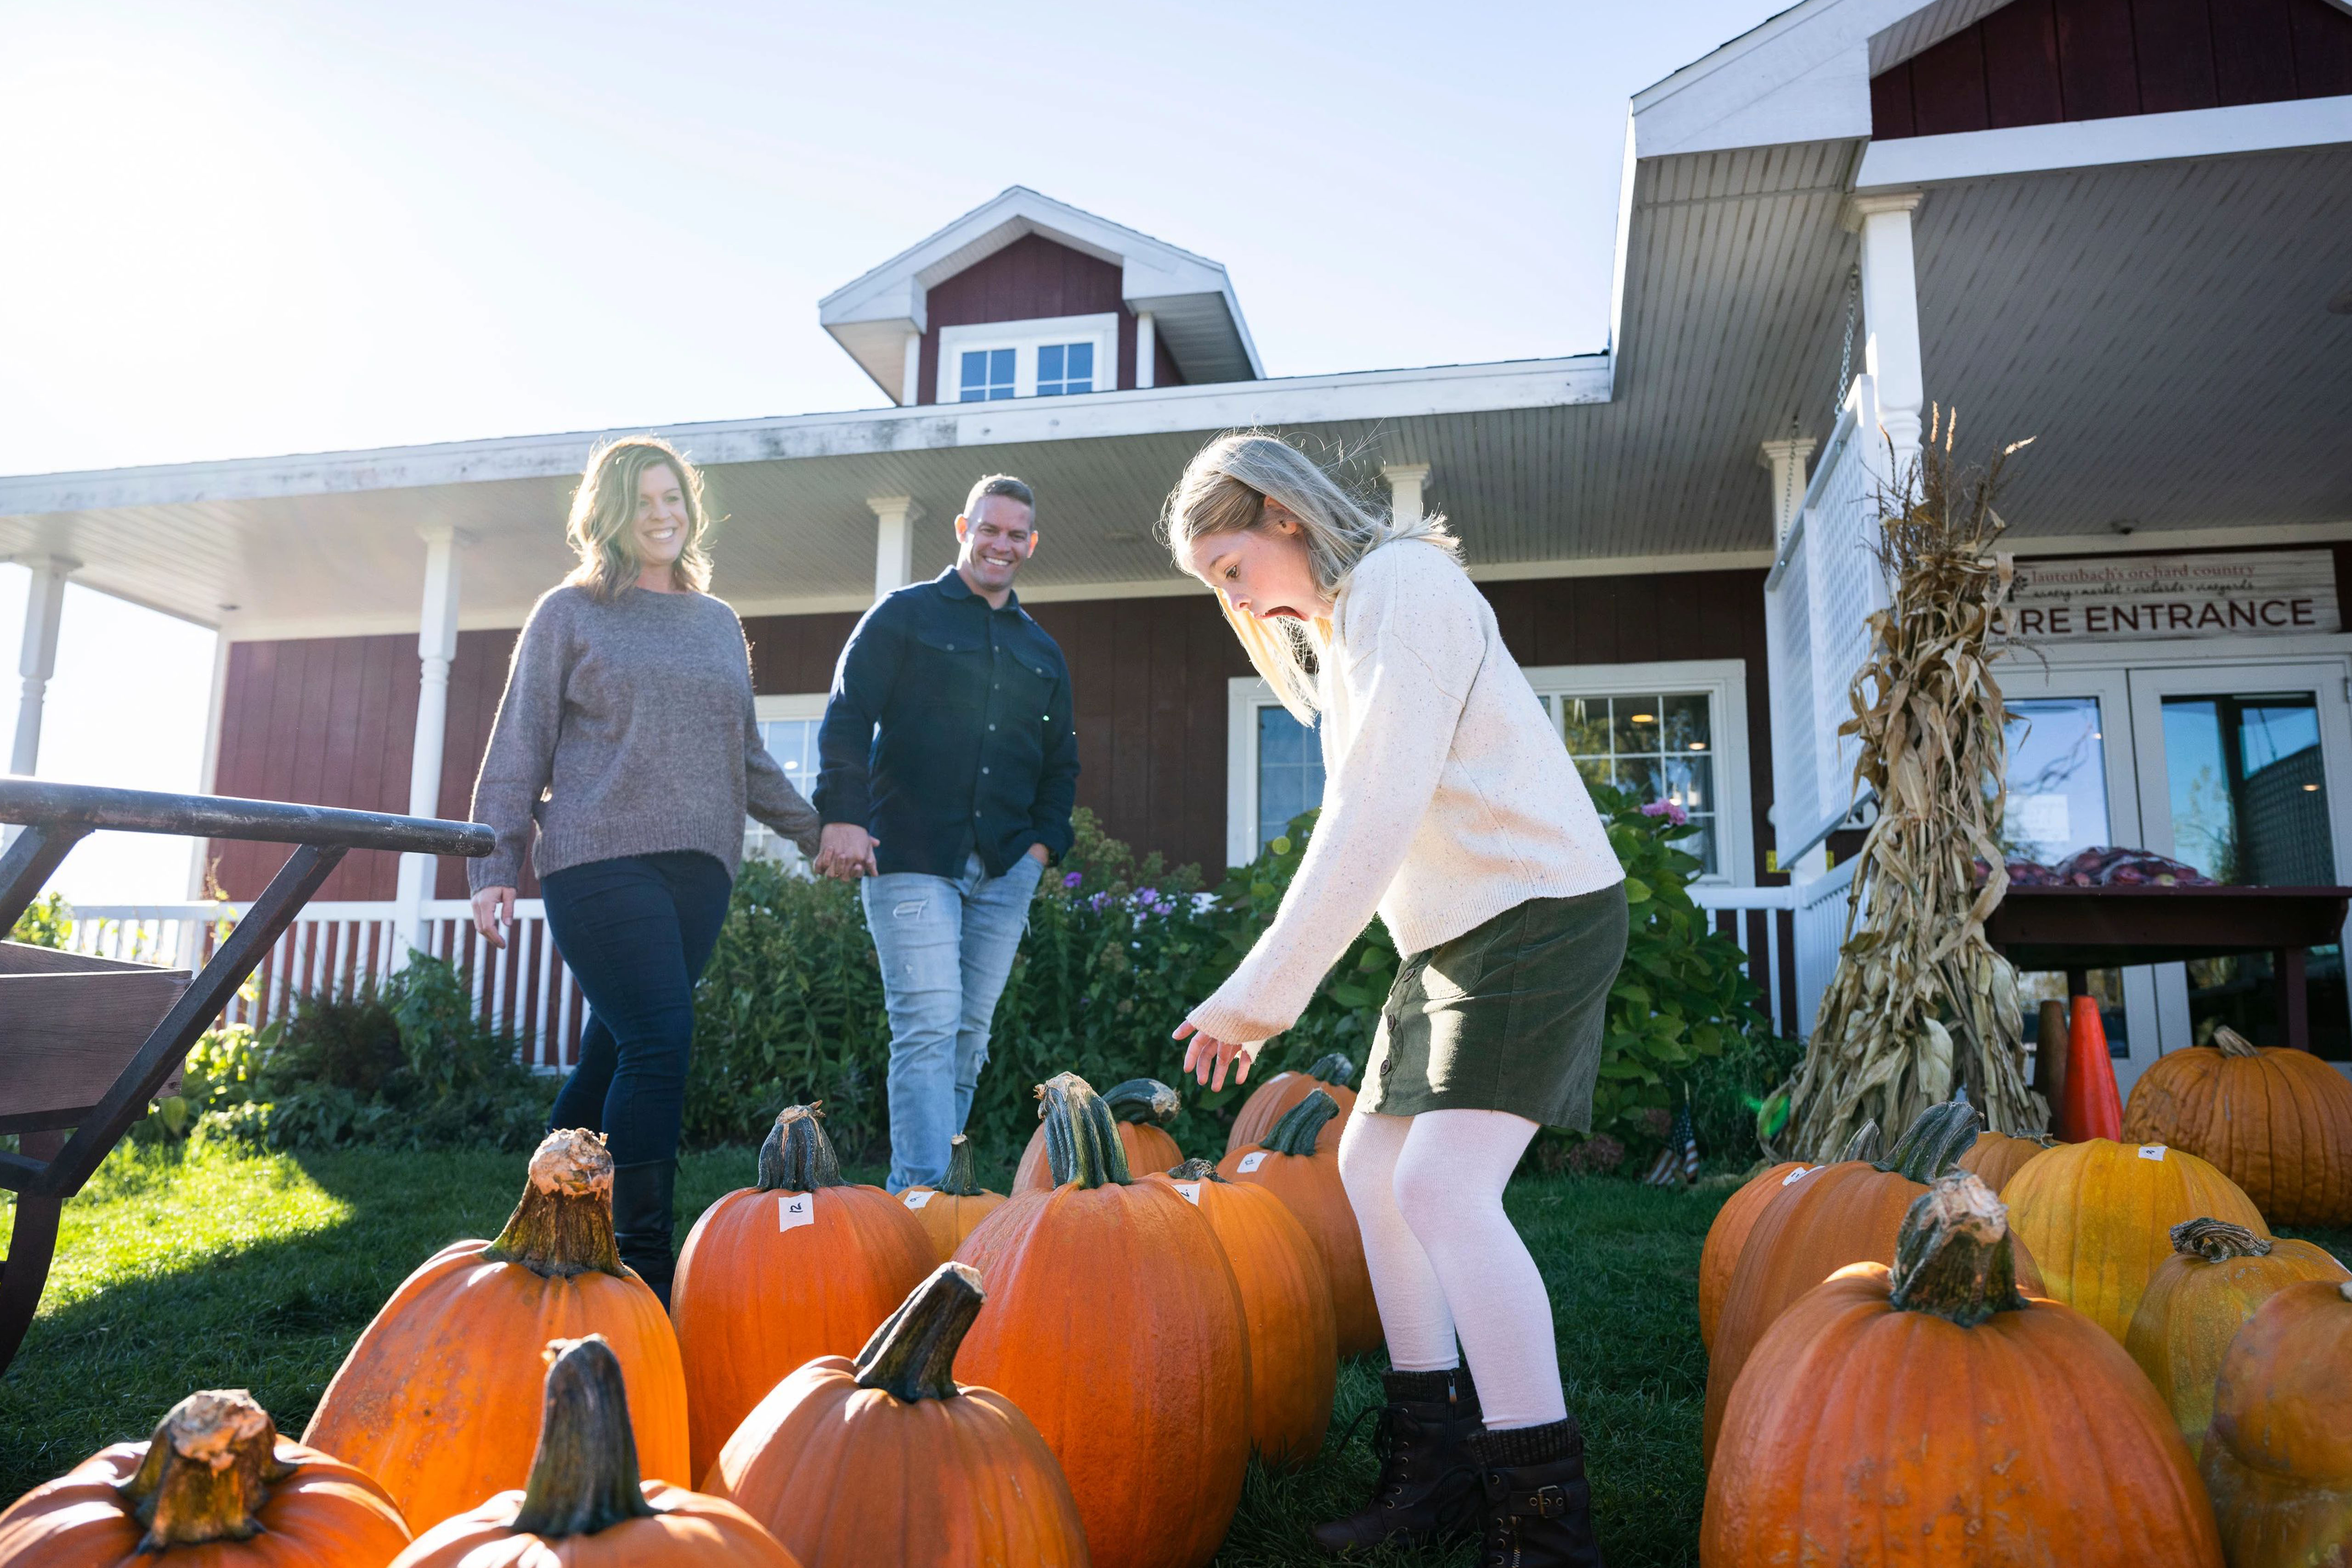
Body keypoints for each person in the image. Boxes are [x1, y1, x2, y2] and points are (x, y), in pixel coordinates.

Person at [1165, 433, 1628, 1567]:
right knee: (1372, 1171)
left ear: (1281, 513)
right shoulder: (1345, 623)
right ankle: (1436, 1471)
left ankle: (1544, 1527)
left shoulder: (1402, 587)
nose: (1239, 602)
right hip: (1458, 939)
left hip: (1536, 911)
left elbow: (1370, 814)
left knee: (1444, 1187)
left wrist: (1260, 993)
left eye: (1231, 569)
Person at [468, 435, 820, 1304]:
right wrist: (492, 860)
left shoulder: (714, 622)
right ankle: (640, 1265)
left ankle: (544, 1225)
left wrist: (819, 832)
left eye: (675, 498)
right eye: (644, 500)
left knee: (611, 1054)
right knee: (661, 1040)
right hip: (597, 858)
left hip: (699, 870)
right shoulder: (570, 612)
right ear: (610, 514)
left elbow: (745, 756)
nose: (664, 514)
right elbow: (521, 740)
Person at [813, 474, 1077, 1192]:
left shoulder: (1041, 650)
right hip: (911, 857)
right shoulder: (903, 617)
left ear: (1031, 543)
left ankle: (943, 1195)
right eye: (990, 529)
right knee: (928, 1026)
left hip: (1003, 868)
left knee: (969, 1038)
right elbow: (846, 717)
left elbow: (1062, 764)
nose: (1002, 543)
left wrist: (1040, 849)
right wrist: (842, 814)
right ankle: (920, 1194)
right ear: (964, 529)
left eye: (1016, 533)